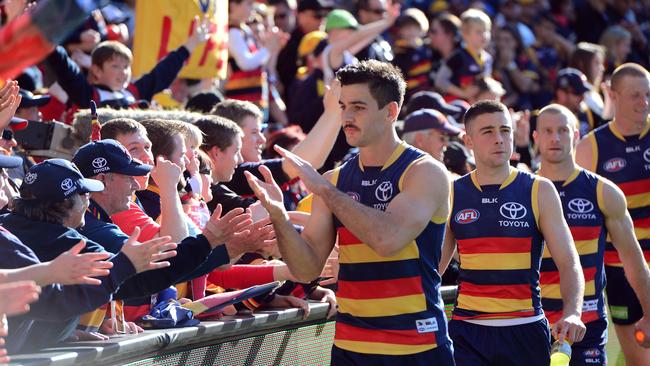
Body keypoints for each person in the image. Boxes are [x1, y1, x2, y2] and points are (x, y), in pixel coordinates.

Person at [246, 60, 454, 365]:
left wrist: (327, 192)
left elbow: (388, 239)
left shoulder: (424, 171)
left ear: (391, 111)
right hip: (350, 347)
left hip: (415, 346)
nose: (347, 116)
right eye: (343, 106)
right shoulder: (334, 179)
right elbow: (307, 270)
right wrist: (279, 216)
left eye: (359, 106)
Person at [439, 100, 586, 366]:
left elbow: (569, 262)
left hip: (525, 328)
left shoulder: (538, 190)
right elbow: (434, 267)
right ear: (468, 141)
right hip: (468, 331)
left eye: (505, 130)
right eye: (488, 132)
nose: (499, 139)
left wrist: (573, 312)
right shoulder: (452, 192)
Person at [0, 158, 179, 352]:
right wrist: (207, 242)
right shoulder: (65, 238)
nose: (5, 179)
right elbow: (55, 301)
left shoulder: (14, 228)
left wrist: (62, 332)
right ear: (64, 203)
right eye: (84, 193)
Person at [535, 104, 650, 365]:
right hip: (534, 324)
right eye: (548, 131)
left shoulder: (603, 191)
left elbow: (632, 259)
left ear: (576, 135)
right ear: (536, 138)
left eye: (563, 130)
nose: (555, 138)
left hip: (587, 325)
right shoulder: (523, 190)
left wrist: (649, 311)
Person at [576, 63, 650, 365]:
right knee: (639, 359)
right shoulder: (591, 147)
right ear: (613, 95)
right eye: (635, 95)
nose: (643, 103)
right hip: (620, 269)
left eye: (647, 94)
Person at [44, 18, 210, 111]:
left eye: (126, 67)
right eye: (115, 66)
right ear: (96, 70)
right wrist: (47, 37)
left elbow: (163, 71)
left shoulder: (134, 92)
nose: (123, 72)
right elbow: (65, 68)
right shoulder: (88, 95)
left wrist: (192, 43)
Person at [435, 8, 493, 102]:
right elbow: (440, 81)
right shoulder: (458, 56)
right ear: (465, 34)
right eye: (479, 31)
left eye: (486, 30)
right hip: (456, 105)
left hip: (475, 106)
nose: (484, 35)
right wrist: (463, 93)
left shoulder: (488, 58)